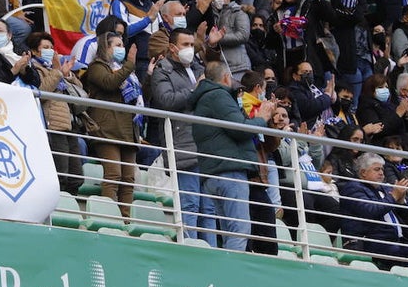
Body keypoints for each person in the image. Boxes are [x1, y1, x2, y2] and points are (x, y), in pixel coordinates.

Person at [190, 60, 273, 251]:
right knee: (239, 230)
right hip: (229, 171)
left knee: (230, 231)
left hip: (216, 171)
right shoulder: (218, 96)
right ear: (226, 77)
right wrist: (261, 118)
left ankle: (228, 272)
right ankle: (232, 275)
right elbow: (240, 129)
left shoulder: (207, 98)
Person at [148, 27, 205, 238]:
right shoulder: (163, 70)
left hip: (206, 144)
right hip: (183, 145)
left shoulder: (199, 68)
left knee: (208, 208)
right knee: (189, 204)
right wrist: (194, 90)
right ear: (172, 47)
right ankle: (190, 249)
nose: (190, 49)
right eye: (185, 45)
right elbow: (166, 101)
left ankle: (208, 252)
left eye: (192, 45)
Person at [82, 31, 141, 219]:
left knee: (128, 179)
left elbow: (137, 97)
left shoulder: (125, 71)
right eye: (116, 45)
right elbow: (109, 83)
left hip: (127, 129)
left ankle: (125, 220)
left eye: (122, 45)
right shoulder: (96, 67)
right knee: (114, 175)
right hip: (107, 128)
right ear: (105, 47)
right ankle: (108, 218)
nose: (121, 49)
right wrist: (130, 64)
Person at [18, 31, 84, 195]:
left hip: (69, 124)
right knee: (60, 174)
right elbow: (43, 89)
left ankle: (71, 210)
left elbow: (80, 91)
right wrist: (57, 71)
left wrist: (67, 74)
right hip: (52, 125)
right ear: (34, 51)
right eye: (45, 47)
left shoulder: (55, 69)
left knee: (75, 177)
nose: (50, 50)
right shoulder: (35, 68)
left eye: (51, 47)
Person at [338, 153, 408, 272]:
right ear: (363, 173)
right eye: (377, 169)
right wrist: (393, 197)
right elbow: (370, 211)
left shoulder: (385, 189)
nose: (381, 173)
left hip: (396, 241)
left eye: (382, 169)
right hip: (371, 242)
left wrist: (401, 200)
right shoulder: (353, 188)